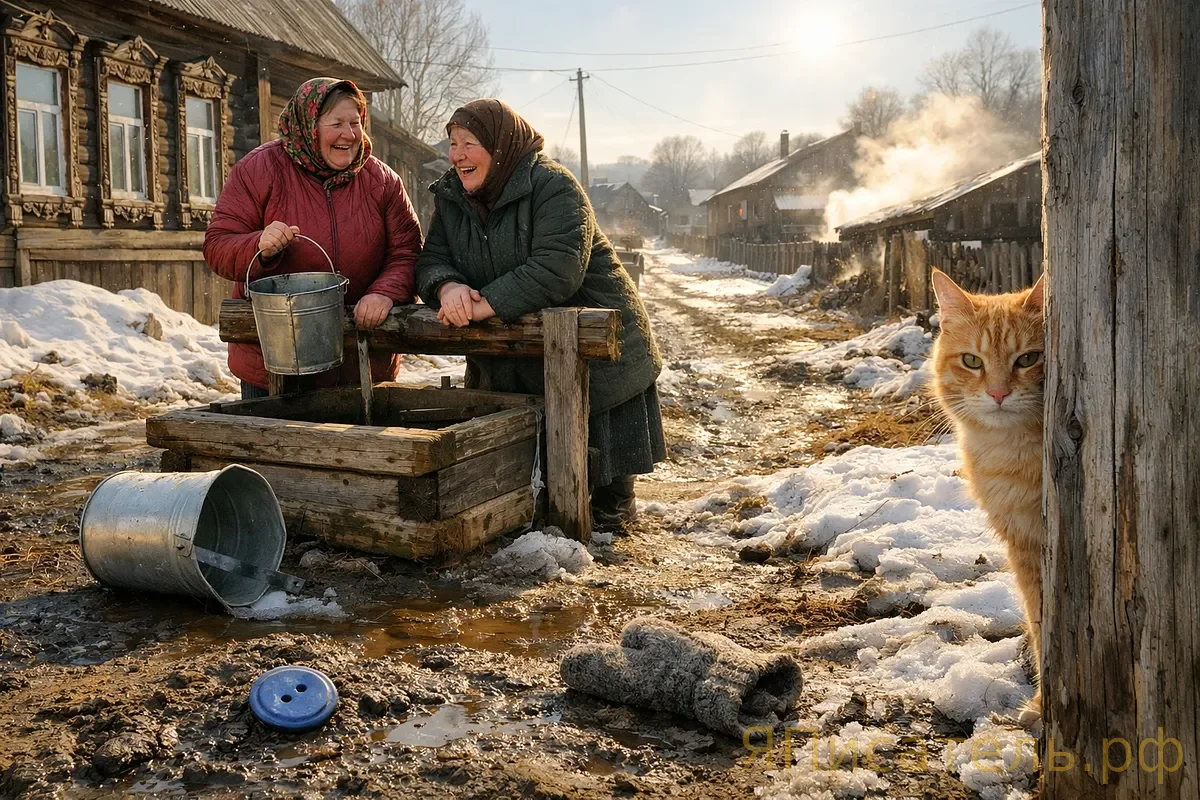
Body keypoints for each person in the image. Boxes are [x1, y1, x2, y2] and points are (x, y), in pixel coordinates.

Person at [414, 99, 664, 527]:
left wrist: (482, 305)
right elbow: (431, 258)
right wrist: (447, 287)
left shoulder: (552, 186)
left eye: (469, 143)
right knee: (528, 452)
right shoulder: (453, 196)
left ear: (500, 146)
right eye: (453, 143)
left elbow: (557, 267)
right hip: (519, 334)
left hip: (596, 326)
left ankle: (614, 502)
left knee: (600, 453)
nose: (457, 155)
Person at [204, 77, 421, 397]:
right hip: (275, 365)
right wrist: (259, 246)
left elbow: (408, 252)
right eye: (337, 124)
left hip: (361, 363)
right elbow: (218, 246)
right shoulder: (260, 169)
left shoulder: (382, 180)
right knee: (269, 431)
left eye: (355, 123)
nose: (349, 134)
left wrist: (385, 293)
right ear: (308, 126)